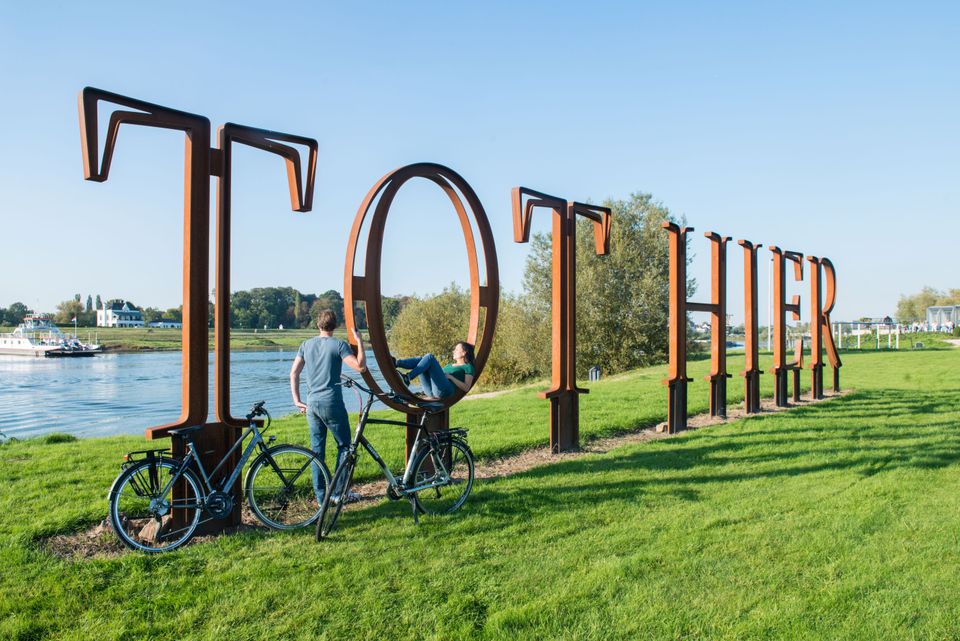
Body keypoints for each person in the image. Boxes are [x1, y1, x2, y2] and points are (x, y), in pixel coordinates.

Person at [290, 310, 366, 504]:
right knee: (345, 446)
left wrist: (297, 400)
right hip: (331, 402)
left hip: (312, 404)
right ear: (335, 325)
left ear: (318, 325)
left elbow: (294, 374)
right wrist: (360, 341)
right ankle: (339, 493)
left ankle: (321, 497)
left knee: (317, 451)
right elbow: (360, 367)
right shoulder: (339, 345)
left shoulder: (306, 345)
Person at [395, 342, 476, 400]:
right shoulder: (449, 365)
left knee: (429, 357)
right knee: (422, 360)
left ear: (464, 353)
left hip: (445, 391)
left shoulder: (468, 367)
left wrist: (451, 377)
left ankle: (407, 378)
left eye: (457, 349)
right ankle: (397, 363)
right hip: (431, 391)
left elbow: (466, 387)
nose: (453, 351)